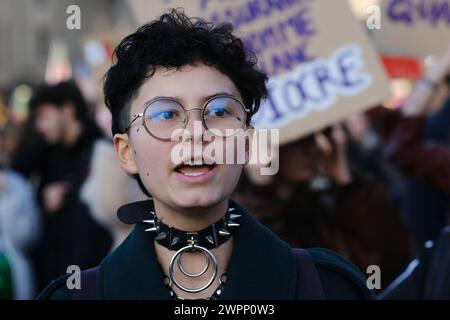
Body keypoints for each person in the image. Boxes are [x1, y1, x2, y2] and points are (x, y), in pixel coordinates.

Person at [38, 9, 373, 300]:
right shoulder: (77, 295)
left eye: (218, 111)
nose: (196, 132)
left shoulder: (326, 287)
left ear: (246, 143)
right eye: (166, 115)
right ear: (126, 152)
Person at [12, 81, 112, 292]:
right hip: (54, 279)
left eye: (44, 116)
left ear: (67, 110)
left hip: (87, 280)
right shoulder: (50, 150)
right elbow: (15, 172)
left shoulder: (100, 153)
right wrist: (42, 198)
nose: (40, 126)